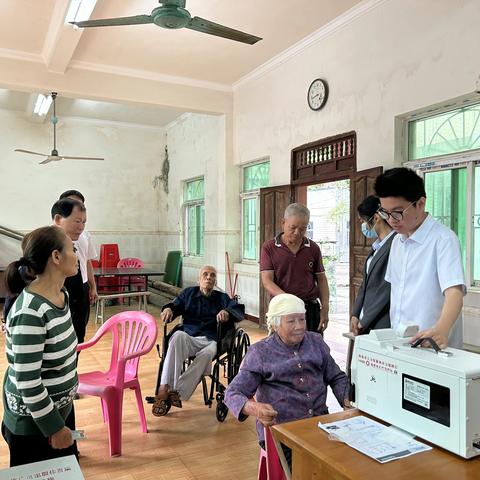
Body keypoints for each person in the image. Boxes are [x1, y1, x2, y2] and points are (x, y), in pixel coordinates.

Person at [224, 293, 349, 469]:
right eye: (291, 321)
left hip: (319, 425)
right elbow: (232, 394)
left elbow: (336, 377)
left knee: (346, 464)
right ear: (275, 325)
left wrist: (347, 400)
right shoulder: (260, 353)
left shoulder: (316, 342)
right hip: (282, 431)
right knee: (310, 470)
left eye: (302, 319)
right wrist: (256, 408)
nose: (299, 327)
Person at [2, 226, 79, 466]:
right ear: (56, 257)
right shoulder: (30, 312)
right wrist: (54, 429)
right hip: (35, 425)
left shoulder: (61, 295)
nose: (77, 255)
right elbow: (28, 381)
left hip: (60, 410)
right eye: (72, 250)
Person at [375, 167, 466, 349]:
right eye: (385, 212)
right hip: (401, 343)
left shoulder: (443, 239)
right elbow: (395, 293)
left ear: (420, 203)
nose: (391, 220)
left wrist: (441, 329)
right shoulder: (396, 242)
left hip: (433, 345)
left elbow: (454, 293)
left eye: (398, 212)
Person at [153, 265, 244, 416]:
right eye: (205, 275)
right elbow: (175, 305)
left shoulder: (222, 298)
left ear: (215, 281)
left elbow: (238, 311)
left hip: (211, 339)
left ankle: (177, 392)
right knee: (176, 337)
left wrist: (227, 312)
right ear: (199, 279)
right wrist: (169, 309)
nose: (209, 277)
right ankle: (164, 388)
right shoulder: (188, 293)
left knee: (207, 354)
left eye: (212, 275)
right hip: (189, 336)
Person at [260, 203, 329, 333]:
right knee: (282, 350)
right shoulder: (269, 247)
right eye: (293, 227)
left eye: (302, 229)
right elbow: (267, 281)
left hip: (310, 309)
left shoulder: (313, 248)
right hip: (283, 308)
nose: (297, 233)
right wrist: (290, 301)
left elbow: (321, 279)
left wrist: (325, 308)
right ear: (283, 223)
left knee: (312, 349)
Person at [350, 195, 396, 335]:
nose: (363, 226)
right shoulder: (377, 246)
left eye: (363, 221)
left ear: (376, 218)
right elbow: (366, 284)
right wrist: (356, 313)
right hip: (366, 320)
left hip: (381, 321)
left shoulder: (395, 245)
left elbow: (386, 289)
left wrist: (365, 320)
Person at [51, 198, 89, 344]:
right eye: (77, 221)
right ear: (58, 219)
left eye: (84, 222)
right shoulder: (43, 244)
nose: (81, 227)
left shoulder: (73, 244)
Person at [59, 190, 98, 310]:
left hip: (82, 285)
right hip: (61, 285)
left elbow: (87, 262)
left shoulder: (85, 235)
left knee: (81, 324)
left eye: (80, 205)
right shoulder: (51, 237)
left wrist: (93, 287)